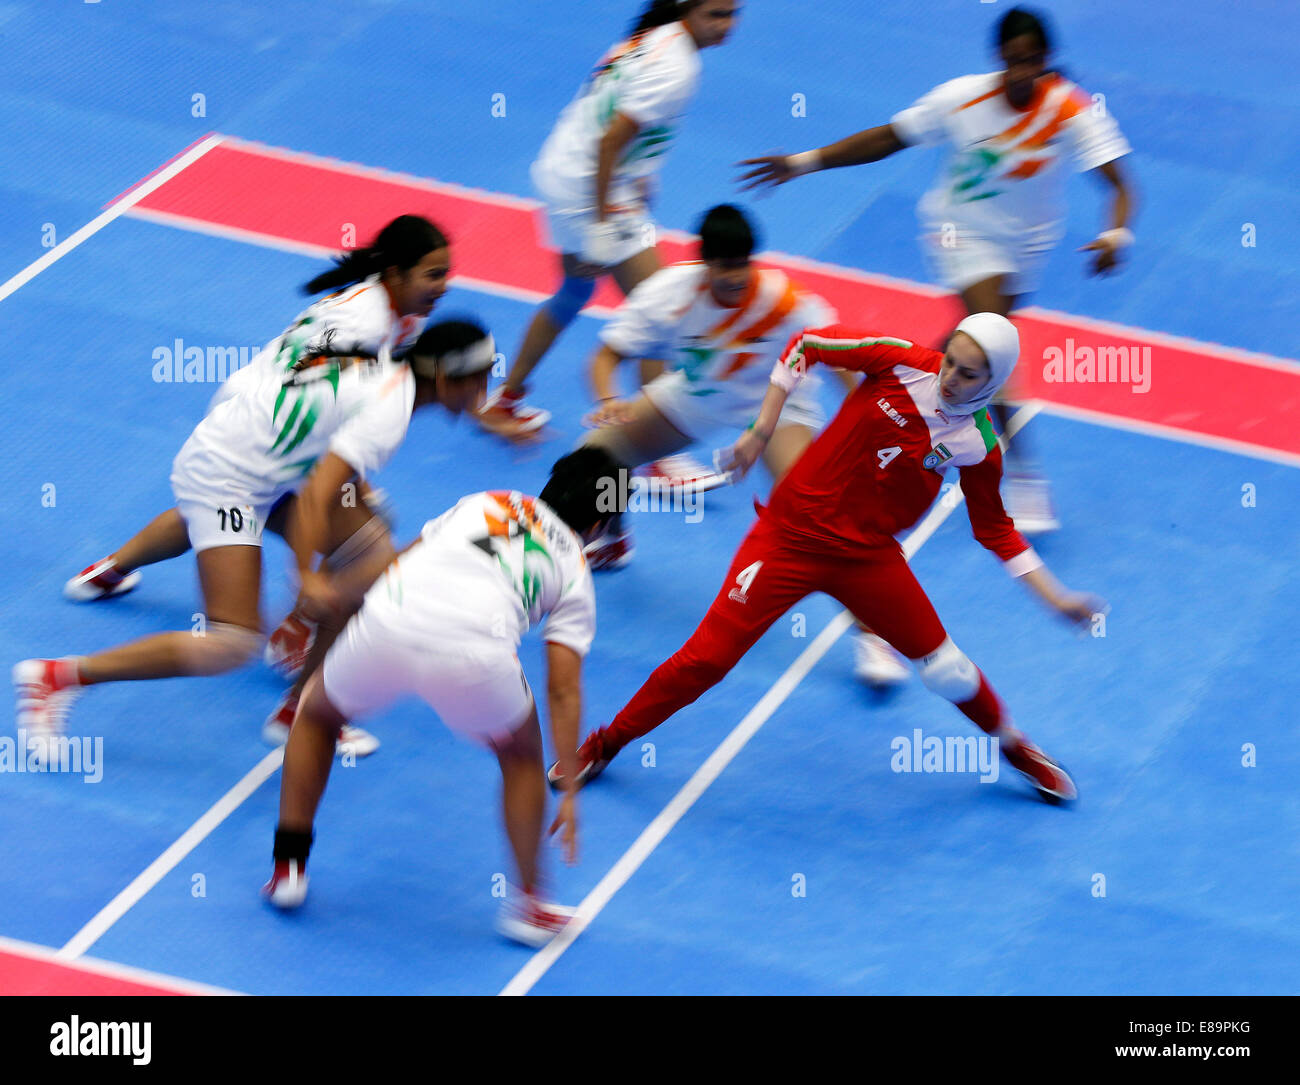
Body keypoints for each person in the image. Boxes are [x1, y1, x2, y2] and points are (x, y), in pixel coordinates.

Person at [549, 315, 1106, 804]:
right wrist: (760, 429)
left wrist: (1055, 597)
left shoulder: (979, 443)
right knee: (705, 662)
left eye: (968, 374)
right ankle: (603, 744)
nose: (950, 378)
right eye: (952, 361)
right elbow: (806, 345)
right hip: (786, 537)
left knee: (947, 670)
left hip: (867, 560)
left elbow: (996, 530)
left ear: (994, 382)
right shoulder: (900, 360)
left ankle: (1016, 748)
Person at [13, 219, 493, 757]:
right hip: (230, 472)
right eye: (482, 379)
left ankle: (303, 710)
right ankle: (59, 677)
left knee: (370, 552)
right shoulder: (383, 388)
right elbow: (317, 494)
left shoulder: (384, 337)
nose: (444, 283)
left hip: (265, 436)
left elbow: (326, 422)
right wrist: (306, 579)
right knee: (232, 641)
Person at [737, 5, 1135, 535]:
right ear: (1000, 58)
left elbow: (1120, 186)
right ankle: (1024, 473)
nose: (1023, 73)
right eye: (1014, 62)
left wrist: (1115, 233)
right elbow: (888, 137)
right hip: (961, 233)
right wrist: (802, 162)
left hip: (1027, 245)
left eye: (1034, 62)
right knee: (994, 341)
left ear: (1046, 59)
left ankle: (885, 394)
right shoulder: (964, 98)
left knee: (962, 350)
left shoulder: (1070, 109)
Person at [263, 448, 621, 948]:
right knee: (519, 758)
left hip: (390, 619)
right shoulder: (576, 573)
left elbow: (403, 559)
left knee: (317, 716)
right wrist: (572, 789)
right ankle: (530, 906)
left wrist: (323, 607)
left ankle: (288, 869)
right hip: (475, 657)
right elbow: (562, 686)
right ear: (601, 520)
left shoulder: (485, 500)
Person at [476, 0, 740, 462]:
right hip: (591, 187)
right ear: (687, 11)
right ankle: (654, 451)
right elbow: (611, 140)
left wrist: (640, 176)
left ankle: (506, 400)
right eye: (716, 14)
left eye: (733, 13)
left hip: (564, 169)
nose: (728, 25)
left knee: (574, 293)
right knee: (662, 309)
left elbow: (611, 119)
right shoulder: (676, 67)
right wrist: (600, 222)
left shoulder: (650, 37)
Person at [577, 203, 845, 568]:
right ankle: (612, 538)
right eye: (725, 266)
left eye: (743, 263)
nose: (737, 277)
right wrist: (609, 400)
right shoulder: (668, 294)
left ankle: (866, 619)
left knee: (806, 505)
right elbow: (606, 356)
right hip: (697, 395)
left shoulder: (783, 301)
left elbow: (838, 350)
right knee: (597, 456)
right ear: (705, 263)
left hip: (775, 403)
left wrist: (865, 413)